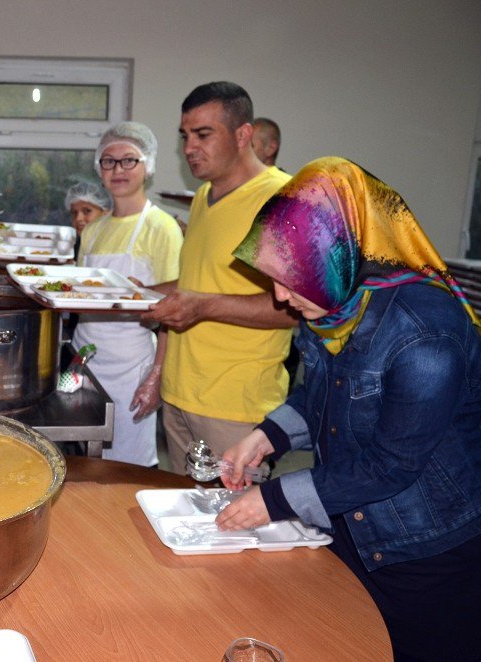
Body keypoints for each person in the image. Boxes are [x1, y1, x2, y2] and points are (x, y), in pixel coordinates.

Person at [217, 157, 481, 662]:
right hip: (352, 521)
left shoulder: (425, 336)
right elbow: (319, 394)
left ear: (339, 258)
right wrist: (268, 434)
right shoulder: (331, 304)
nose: (279, 295)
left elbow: (392, 465)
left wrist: (274, 499)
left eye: (291, 279)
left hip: (428, 547)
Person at [141, 82, 296, 474]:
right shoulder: (203, 196)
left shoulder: (281, 199)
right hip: (181, 397)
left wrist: (204, 306)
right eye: (185, 136)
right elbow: (198, 281)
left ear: (243, 135)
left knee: (234, 528)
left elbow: (293, 309)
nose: (189, 147)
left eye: (203, 134)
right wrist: (124, 293)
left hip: (235, 409)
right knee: (184, 523)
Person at [72, 122, 183, 467]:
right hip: (85, 358)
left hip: (131, 364)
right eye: (108, 161)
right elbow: (79, 296)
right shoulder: (93, 230)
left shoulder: (161, 228)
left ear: (147, 166)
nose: (118, 169)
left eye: (129, 160)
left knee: (126, 466)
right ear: (99, 169)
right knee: (82, 458)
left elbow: (173, 310)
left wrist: (156, 375)